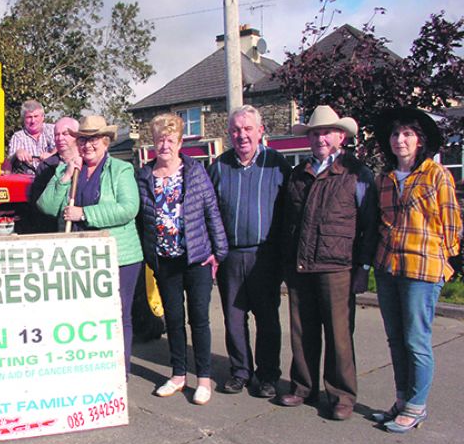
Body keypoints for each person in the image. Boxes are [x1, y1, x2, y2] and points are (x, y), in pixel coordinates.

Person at [277, 105, 377, 421]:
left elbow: (369, 226)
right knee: (302, 331)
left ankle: (342, 395)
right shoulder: (298, 173)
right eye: (315, 132)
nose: (320, 138)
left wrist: (363, 268)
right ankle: (303, 387)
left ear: (340, 137)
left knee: (339, 336)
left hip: (338, 267)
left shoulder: (356, 174)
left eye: (326, 132)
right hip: (301, 265)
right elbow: (286, 222)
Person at [370, 108, 461, 433]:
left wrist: (440, 261)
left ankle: (417, 406)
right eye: (396, 134)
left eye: (408, 133)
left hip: (421, 270)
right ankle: (401, 399)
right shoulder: (385, 178)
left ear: (419, 140)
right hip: (388, 267)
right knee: (395, 339)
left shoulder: (436, 175)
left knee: (416, 340)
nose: (400, 139)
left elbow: (452, 227)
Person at [37, 115, 143, 375]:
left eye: (94, 139)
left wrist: (84, 213)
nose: (88, 145)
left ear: (105, 141)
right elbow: (46, 206)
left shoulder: (121, 170)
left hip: (119, 256)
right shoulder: (70, 168)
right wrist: (66, 176)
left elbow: (128, 208)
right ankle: (92, 371)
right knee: (85, 317)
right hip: (80, 258)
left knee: (117, 316)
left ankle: (119, 373)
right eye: (83, 139)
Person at [137, 113, 228, 405]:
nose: (164, 145)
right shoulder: (144, 176)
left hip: (196, 257)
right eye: (160, 139)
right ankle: (178, 375)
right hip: (165, 260)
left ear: (180, 142)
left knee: (199, 319)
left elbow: (211, 210)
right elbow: (141, 220)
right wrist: (148, 254)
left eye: (170, 139)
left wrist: (219, 250)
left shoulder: (195, 171)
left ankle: (203, 377)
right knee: (174, 320)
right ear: (153, 143)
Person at [208, 105, 291, 398]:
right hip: (230, 253)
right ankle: (240, 371)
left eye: (247, 129)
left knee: (267, 318)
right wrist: (215, 252)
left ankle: (268, 375)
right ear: (229, 133)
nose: (241, 135)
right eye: (235, 130)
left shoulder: (277, 164)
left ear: (260, 131)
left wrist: (283, 256)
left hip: (265, 255)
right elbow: (211, 212)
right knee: (233, 318)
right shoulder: (219, 166)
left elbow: (286, 212)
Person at [30, 117, 80, 231]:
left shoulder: (88, 164)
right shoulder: (45, 167)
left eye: (65, 134)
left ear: (77, 136)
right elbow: (38, 205)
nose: (60, 138)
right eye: (56, 135)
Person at [8, 100, 55, 174]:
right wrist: (17, 153)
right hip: (27, 179)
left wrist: (52, 156)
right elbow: (9, 163)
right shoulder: (18, 137)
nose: (33, 121)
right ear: (23, 119)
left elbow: (66, 148)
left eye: (36, 116)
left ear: (43, 117)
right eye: (29, 117)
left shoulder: (53, 130)